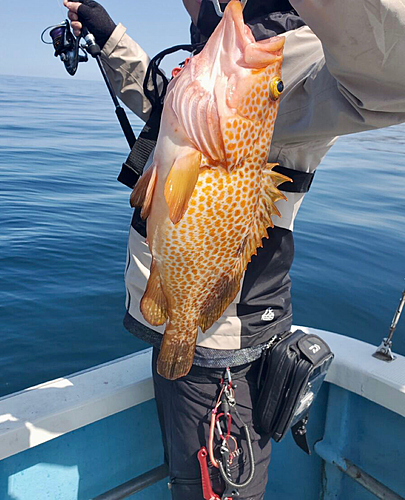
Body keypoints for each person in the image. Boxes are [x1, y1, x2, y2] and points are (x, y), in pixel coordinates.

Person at [64, 1, 405, 498]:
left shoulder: (288, 57)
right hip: (180, 313)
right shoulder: (222, 55)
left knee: (215, 488)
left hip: (221, 341)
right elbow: (170, 114)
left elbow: (391, 80)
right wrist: (112, 37)